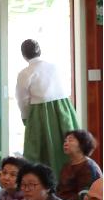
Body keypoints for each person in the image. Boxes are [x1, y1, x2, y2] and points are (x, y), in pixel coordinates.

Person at [16, 39, 80, 176]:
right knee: (66, 147)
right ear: (40, 51)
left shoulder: (25, 73)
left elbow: (22, 99)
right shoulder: (54, 67)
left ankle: (47, 186)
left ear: (24, 55)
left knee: (41, 154)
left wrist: (26, 117)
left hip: (40, 114)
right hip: (64, 110)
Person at [58, 130, 101, 200]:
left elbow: (84, 195)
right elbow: (60, 189)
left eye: (70, 140)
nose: (66, 143)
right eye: (65, 141)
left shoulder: (88, 166)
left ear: (82, 144)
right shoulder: (66, 166)